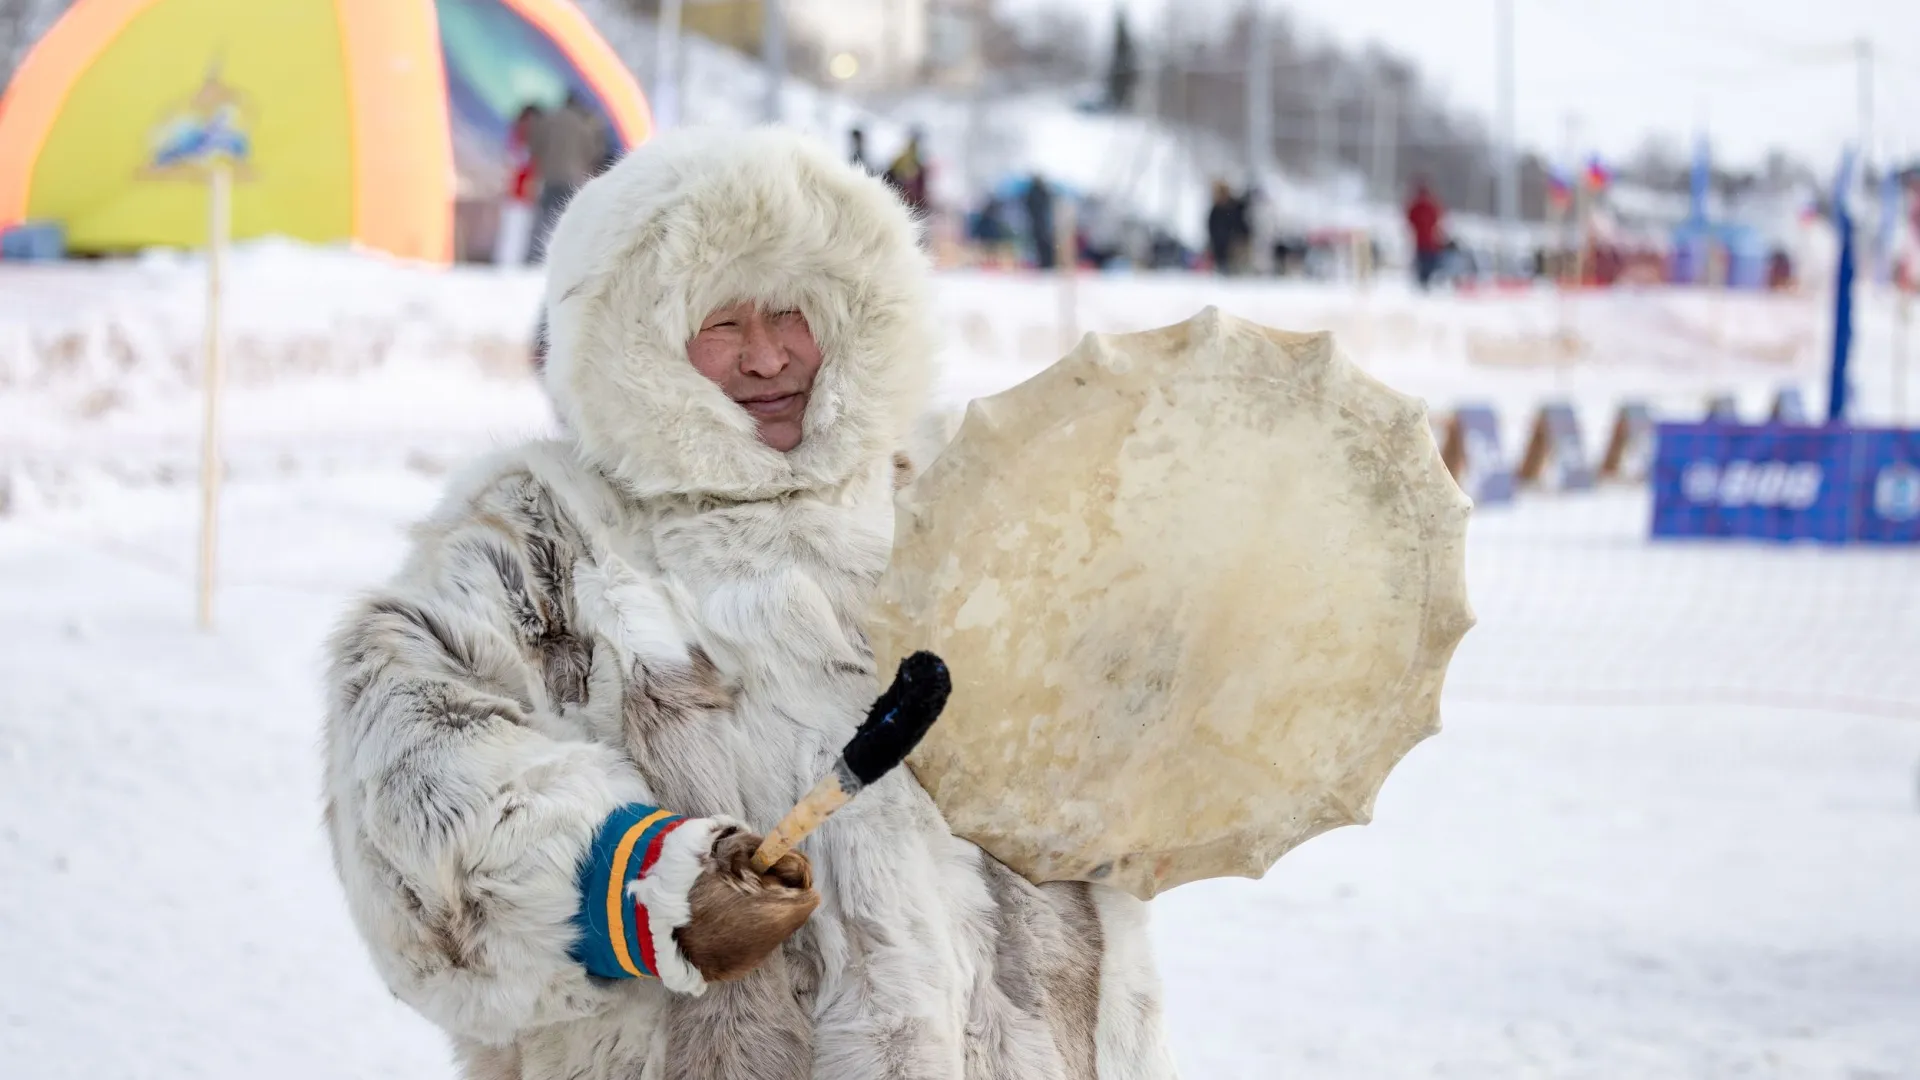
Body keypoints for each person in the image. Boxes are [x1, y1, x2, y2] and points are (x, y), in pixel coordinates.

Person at [321, 128, 1179, 1080]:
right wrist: (635, 885)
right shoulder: (544, 532)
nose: (768, 358)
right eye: (720, 324)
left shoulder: (956, 496)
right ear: (634, 342)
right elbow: (410, 787)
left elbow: (1094, 748)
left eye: (792, 313)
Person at [526, 90, 609, 263]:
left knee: (544, 218)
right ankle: (566, 258)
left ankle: (534, 257)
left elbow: (535, 145)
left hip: (550, 176)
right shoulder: (583, 123)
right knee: (569, 220)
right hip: (573, 178)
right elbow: (594, 151)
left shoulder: (548, 119)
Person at [494, 104, 542, 267]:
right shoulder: (525, 139)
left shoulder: (516, 137)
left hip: (517, 190)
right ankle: (510, 263)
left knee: (514, 228)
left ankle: (508, 261)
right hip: (520, 190)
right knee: (517, 228)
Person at [1405, 179, 1446, 290]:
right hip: (1430, 239)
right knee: (1429, 261)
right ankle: (1425, 280)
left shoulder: (1417, 205)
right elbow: (1439, 218)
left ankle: (1423, 280)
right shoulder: (1431, 204)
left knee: (1423, 260)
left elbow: (1409, 218)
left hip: (1421, 239)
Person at [882, 127, 930, 216]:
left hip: (913, 206)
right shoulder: (900, 162)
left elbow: (921, 190)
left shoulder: (920, 168)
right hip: (901, 204)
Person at [1205, 180, 1247, 275]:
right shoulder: (1215, 211)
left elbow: (1240, 226)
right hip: (1220, 248)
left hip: (1235, 247)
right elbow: (1212, 229)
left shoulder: (1234, 208)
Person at [1025, 173, 1057, 270]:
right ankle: (1048, 263)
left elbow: (1028, 205)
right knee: (1045, 244)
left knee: (1041, 244)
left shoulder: (1032, 192)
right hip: (1044, 222)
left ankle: (1046, 263)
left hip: (1037, 222)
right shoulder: (1044, 191)